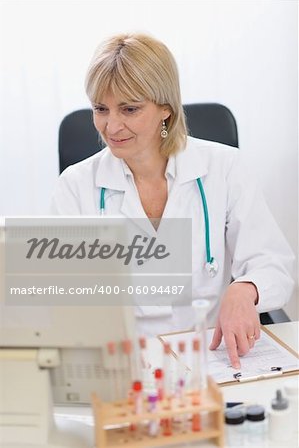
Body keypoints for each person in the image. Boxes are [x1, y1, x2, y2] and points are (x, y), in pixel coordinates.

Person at [51, 33, 294, 369]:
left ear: (165, 108)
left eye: (130, 108)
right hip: (126, 366)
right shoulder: (75, 187)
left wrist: (246, 289)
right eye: (100, 109)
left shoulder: (224, 168)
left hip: (213, 357)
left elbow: (272, 263)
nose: (112, 125)